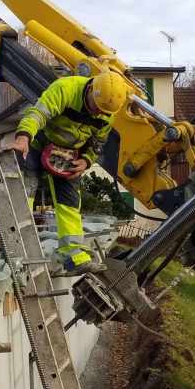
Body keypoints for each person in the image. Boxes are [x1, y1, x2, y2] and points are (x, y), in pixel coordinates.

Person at [12, 71, 130, 275]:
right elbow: (38, 113)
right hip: (39, 143)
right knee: (25, 192)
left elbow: (98, 143)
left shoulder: (107, 112)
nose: (96, 114)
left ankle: (73, 255)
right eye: (95, 108)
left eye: (102, 112)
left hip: (68, 157)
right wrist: (24, 137)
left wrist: (86, 161)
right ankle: (14, 248)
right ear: (91, 89)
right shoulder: (65, 89)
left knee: (70, 204)